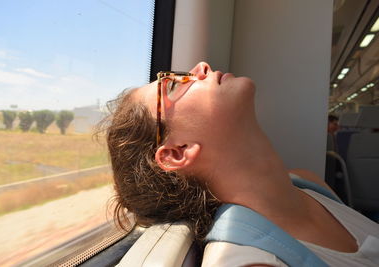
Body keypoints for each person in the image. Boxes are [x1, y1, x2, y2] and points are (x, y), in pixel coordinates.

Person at [100, 62, 379, 266]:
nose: (201, 67)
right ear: (176, 153)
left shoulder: (309, 183)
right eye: (173, 85)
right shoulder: (250, 262)